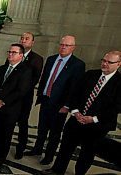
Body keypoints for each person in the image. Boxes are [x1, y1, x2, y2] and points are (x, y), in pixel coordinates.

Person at [42, 51, 121, 175]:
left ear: (118, 64)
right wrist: (76, 112)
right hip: (76, 119)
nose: (105, 64)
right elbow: (75, 94)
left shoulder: (119, 83)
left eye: (109, 62)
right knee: (65, 147)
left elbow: (116, 107)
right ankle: (57, 170)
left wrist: (93, 119)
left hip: (97, 124)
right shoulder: (90, 74)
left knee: (87, 152)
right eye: (103, 60)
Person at [24, 35, 86, 165]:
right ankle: (37, 149)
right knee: (42, 128)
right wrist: (41, 94)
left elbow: (75, 88)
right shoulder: (51, 59)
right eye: (62, 44)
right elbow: (45, 78)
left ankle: (49, 156)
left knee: (55, 132)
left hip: (60, 105)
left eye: (67, 45)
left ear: (73, 47)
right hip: (46, 99)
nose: (63, 47)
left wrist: (67, 105)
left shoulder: (77, 65)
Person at [0, 44, 32, 172]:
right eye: (9, 52)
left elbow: (21, 91)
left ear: (21, 55)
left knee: (6, 134)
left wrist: (3, 101)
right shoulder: (2, 68)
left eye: (14, 52)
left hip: (12, 108)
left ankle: (1, 159)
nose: (10, 54)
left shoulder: (25, 70)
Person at [14, 32, 44, 159]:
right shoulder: (13, 53)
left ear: (32, 42)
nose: (23, 40)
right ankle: (2, 144)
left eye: (27, 39)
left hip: (25, 97)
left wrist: (20, 92)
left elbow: (34, 79)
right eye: (22, 38)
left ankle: (21, 147)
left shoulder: (37, 59)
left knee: (22, 122)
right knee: (9, 121)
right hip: (11, 96)